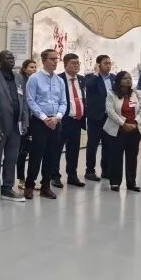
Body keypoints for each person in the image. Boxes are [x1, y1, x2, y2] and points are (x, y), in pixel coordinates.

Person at [0, 50, 29, 203]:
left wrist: (25, 122)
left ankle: (7, 187)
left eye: (12, 57)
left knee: (11, 158)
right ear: (0, 60)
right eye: (7, 58)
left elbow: (24, 102)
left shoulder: (19, 78)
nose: (11, 60)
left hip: (16, 126)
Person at [23, 50, 65, 200]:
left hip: (55, 122)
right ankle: (29, 185)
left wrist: (57, 117)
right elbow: (30, 100)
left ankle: (45, 186)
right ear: (44, 60)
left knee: (51, 155)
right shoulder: (34, 79)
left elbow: (63, 102)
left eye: (56, 59)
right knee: (36, 154)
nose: (55, 61)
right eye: (52, 59)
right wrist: (44, 118)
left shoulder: (60, 81)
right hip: (40, 122)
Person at [103, 71, 141, 192]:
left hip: (134, 130)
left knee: (132, 157)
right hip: (118, 130)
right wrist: (123, 124)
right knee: (116, 156)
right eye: (125, 78)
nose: (128, 80)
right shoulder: (112, 94)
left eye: (129, 78)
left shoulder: (136, 94)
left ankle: (131, 183)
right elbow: (110, 111)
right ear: (119, 80)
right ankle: (115, 183)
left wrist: (136, 123)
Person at [56, 53, 87, 188]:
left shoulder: (82, 79)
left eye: (78, 63)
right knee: (57, 149)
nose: (76, 65)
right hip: (63, 120)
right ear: (65, 65)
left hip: (77, 120)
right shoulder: (58, 79)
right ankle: (55, 176)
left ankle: (72, 176)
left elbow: (82, 98)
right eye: (73, 63)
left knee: (74, 150)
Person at [84, 55, 116, 182]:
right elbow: (89, 86)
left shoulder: (113, 78)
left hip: (110, 117)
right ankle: (90, 171)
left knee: (108, 145)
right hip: (96, 117)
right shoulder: (90, 78)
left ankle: (106, 171)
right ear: (98, 65)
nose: (108, 65)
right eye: (105, 63)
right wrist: (96, 74)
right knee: (92, 145)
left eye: (109, 63)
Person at [14, 58, 37, 186]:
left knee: (33, 151)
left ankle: (31, 180)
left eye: (35, 67)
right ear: (24, 69)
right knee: (22, 152)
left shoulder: (36, 81)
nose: (34, 69)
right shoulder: (20, 81)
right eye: (31, 67)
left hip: (36, 119)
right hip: (24, 120)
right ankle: (21, 179)